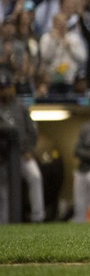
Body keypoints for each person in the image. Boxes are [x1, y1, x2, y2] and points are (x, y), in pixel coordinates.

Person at [0, 73, 45, 223]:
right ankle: (4, 222)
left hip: (22, 153)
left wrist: (30, 150)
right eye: (2, 88)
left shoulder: (20, 105)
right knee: (4, 189)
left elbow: (32, 131)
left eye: (7, 87)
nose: (4, 91)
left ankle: (38, 217)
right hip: (3, 156)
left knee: (35, 176)